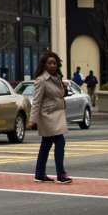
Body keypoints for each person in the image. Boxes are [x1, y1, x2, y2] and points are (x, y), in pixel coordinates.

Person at [31, 49, 73, 184]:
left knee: (46, 144)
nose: (53, 65)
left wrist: (64, 90)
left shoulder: (57, 78)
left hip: (57, 114)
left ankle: (39, 174)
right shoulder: (41, 80)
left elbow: (59, 95)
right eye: (50, 63)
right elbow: (36, 101)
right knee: (60, 142)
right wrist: (32, 120)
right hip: (48, 116)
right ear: (44, 65)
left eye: (54, 63)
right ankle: (61, 174)